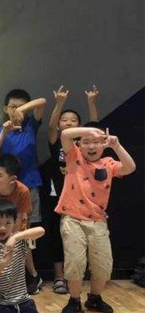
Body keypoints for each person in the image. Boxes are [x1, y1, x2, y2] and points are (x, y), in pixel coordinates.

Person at [56, 126, 135, 313]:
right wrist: (90, 130)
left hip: (98, 221)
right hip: (72, 219)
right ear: (79, 144)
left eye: (96, 142)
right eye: (86, 142)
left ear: (103, 144)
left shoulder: (108, 163)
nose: (91, 146)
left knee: (103, 264)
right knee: (75, 261)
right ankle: (74, 300)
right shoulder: (74, 156)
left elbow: (130, 167)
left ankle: (94, 298)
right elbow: (65, 134)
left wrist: (116, 146)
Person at [44, 85, 100, 294]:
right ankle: (59, 277)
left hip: (82, 198)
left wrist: (91, 103)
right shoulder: (57, 142)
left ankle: (77, 277)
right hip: (58, 197)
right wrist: (59, 104)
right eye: (64, 120)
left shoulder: (84, 143)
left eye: (73, 120)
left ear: (79, 125)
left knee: (79, 239)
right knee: (57, 237)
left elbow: (95, 128)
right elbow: (51, 127)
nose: (68, 122)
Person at [0, 90, 48, 293]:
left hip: (29, 185)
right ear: (5, 109)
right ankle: (13, 276)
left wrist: (22, 111)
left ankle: (31, 275)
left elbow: (42, 100)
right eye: (12, 107)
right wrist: (6, 130)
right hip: (5, 189)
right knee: (5, 233)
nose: (16, 110)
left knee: (24, 233)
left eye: (21, 106)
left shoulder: (31, 125)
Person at [0, 154, 42, 294]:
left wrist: (12, 237)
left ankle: (33, 275)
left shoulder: (22, 191)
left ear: (12, 179)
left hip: (16, 227)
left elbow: (20, 219)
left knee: (22, 244)